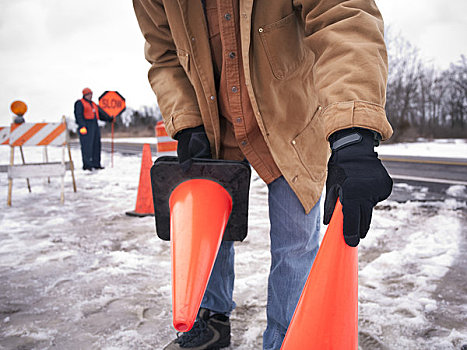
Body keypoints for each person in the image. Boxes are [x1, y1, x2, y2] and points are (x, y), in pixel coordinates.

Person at [133, 0, 393, 349]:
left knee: (294, 241)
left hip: (290, 121)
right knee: (208, 232)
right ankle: (211, 320)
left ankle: (287, 340)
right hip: (212, 126)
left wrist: (353, 131)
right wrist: (186, 122)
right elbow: (164, 54)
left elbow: (343, 15)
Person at [74, 88, 113, 170]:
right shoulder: (80, 103)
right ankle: (87, 165)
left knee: (96, 145)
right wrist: (82, 126)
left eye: (91, 94)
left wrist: (110, 119)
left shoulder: (93, 104)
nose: (90, 96)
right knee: (87, 146)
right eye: (88, 94)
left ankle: (96, 164)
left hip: (95, 125)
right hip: (86, 125)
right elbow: (79, 115)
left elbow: (101, 114)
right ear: (84, 95)